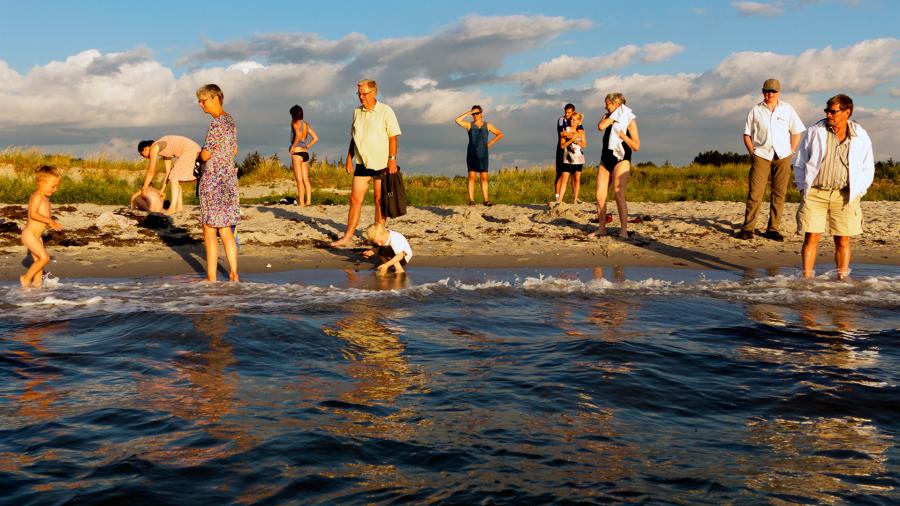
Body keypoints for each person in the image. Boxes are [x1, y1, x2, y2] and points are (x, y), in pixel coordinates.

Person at [793, 94, 875, 280]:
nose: (828, 114)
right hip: (815, 193)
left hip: (845, 195)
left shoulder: (860, 135)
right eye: (827, 110)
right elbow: (800, 162)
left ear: (847, 112)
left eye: (833, 111)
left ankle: (842, 280)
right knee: (811, 237)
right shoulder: (815, 131)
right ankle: (806, 280)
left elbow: (867, 166)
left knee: (843, 240)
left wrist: (860, 191)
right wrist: (802, 187)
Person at [331, 79, 401, 248]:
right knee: (355, 199)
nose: (361, 97)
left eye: (364, 93)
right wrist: (349, 157)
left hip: (381, 163)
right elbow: (353, 137)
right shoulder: (357, 112)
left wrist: (392, 159)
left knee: (379, 200)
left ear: (374, 93)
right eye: (359, 94)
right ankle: (348, 236)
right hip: (362, 162)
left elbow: (393, 137)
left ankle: (379, 238)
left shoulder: (385, 111)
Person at [738, 78, 805, 241]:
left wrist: (792, 150)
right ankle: (748, 229)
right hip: (761, 155)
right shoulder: (755, 110)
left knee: (779, 193)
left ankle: (773, 229)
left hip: (783, 156)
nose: (770, 94)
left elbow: (797, 131)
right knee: (755, 193)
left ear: (778, 92)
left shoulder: (787, 109)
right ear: (763, 92)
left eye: (773, 91)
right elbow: (747, 134)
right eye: (767, 91)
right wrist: (752, 152)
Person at [196, 84, 240, 282]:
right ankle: (234, 274)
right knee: (225, 228)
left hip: (213, 178)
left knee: (209, 228)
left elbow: (206, 155)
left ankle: (211, 277)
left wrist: (200, 154)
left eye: (203, 100)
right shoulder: (230, 120)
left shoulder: (216, 123)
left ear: (214, 98)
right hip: (229, 178)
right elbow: (234, 151)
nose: (200, 104)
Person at [590, 93, 640, 238]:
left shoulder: (629, 120)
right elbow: (601, 126)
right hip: (605, 159)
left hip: (622, 159)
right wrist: (612, 117)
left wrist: (623, 136)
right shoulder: (608, 117)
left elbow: (636, 146)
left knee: (618, 194)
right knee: (600, 195)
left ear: (617, 104)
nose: (605, 106)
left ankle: (623, 230)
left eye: (607, 104)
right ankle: (602, 228)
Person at [20, 166, 63, 288]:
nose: (55, 189)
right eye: (53, 186)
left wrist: (50, 223)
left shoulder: (45, 198)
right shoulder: (37, 196)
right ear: (41, 182)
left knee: (39, 263)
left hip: (37, 237)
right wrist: (50, 221)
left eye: (56, 186)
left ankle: (37, 287)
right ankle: (26, 278)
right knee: (45, 258)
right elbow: (33, 214)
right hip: (29, 235)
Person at [137, 136, 201, 214]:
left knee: (174, 177)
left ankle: (172, 208)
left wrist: (144, 188)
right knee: (175, 177)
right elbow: (168, 173)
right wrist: (162, 189)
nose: (145, 157)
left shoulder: (154, 147)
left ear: (145, 149)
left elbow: (151, 171)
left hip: (190, 150)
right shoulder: (164, 151)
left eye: (142, 154)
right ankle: (179, 207)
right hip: (193, 149)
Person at [455, 105, 504, 206]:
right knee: (471, 177)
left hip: (483, 154)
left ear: (481, 114)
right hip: (472, 153)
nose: (475, 115)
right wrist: (469, 112)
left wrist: (491, 142)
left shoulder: (487, 125)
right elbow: (457, 120)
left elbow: (500, 134)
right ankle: (471, 200)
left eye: (477, 113)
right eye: (473, 114)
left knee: (484, 177)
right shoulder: (469, 125)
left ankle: (486, 200)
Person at [288, 105, 319, 207]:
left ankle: (301, 203)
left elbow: (297, 135)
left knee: (299, 180)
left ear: (294, 115)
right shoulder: (305, 124)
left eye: (291, 115)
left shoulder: (294, 122)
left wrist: (293, 146)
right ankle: (308, 202)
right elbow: (315, 138)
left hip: (297, 153)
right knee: (306, 180)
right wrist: (307, 146)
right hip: (305, 153)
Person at [557, 112, 586, 204]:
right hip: (568, 157)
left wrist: (577, 141)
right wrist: (571, 140)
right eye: (571, 119)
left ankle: (575, 200)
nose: (572, 121)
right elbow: (562, 145)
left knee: (577, 179)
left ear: (578, 121)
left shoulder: (581, 131)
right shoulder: (566, 130)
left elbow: (584, 145)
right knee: (564, 179)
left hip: (578, 158)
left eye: (574, 120)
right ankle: (559, 200)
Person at [555, 103, 576, 202]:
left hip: (573, 149)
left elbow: (580, 132)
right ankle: (557, 197)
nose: (567, 114)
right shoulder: (561, 119)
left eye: (569, 112)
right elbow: (562, 133)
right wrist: (572, 135)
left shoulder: (575, 120)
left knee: (573, 174)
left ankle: (575, 196)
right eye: (566, 112)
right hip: (562, 149)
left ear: (573, 112)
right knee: (560, 173)